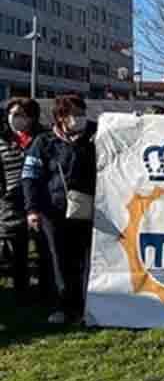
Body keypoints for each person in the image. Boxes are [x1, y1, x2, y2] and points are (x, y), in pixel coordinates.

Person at [22, 93, 98, 325]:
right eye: (74, 114)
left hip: (89, 209)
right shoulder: (43, 142)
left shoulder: (95, 136)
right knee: (59, 260)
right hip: (53, 212)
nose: (79, 119)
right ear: (61, 117)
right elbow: (30, 177)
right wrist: (32, 209)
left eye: (82, 113)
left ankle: (87, 306)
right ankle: (62, 307)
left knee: (88, 259)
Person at [0, 98, 43, 318]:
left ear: (31, 117)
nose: (15, 118)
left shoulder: (42, 139)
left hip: (39, 201)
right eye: (12, 113)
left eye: (21, 114)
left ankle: (45, 292)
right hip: (11, 203)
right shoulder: (3, 141)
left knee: (43, 249)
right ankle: (20, 293)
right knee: (16, 250)